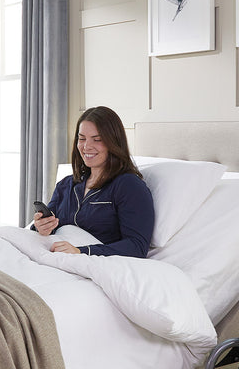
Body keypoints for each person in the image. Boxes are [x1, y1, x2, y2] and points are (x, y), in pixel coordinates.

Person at [32, 106, 155, 258]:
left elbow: (136, 246)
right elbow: (49, 230)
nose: (86, 146)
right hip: (52, 257)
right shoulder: (66, 185)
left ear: (114, 142)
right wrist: (41, 228)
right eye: (81, 138)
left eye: (97, 139)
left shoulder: (129, 186)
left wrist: (81, 251)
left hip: (88, 265)